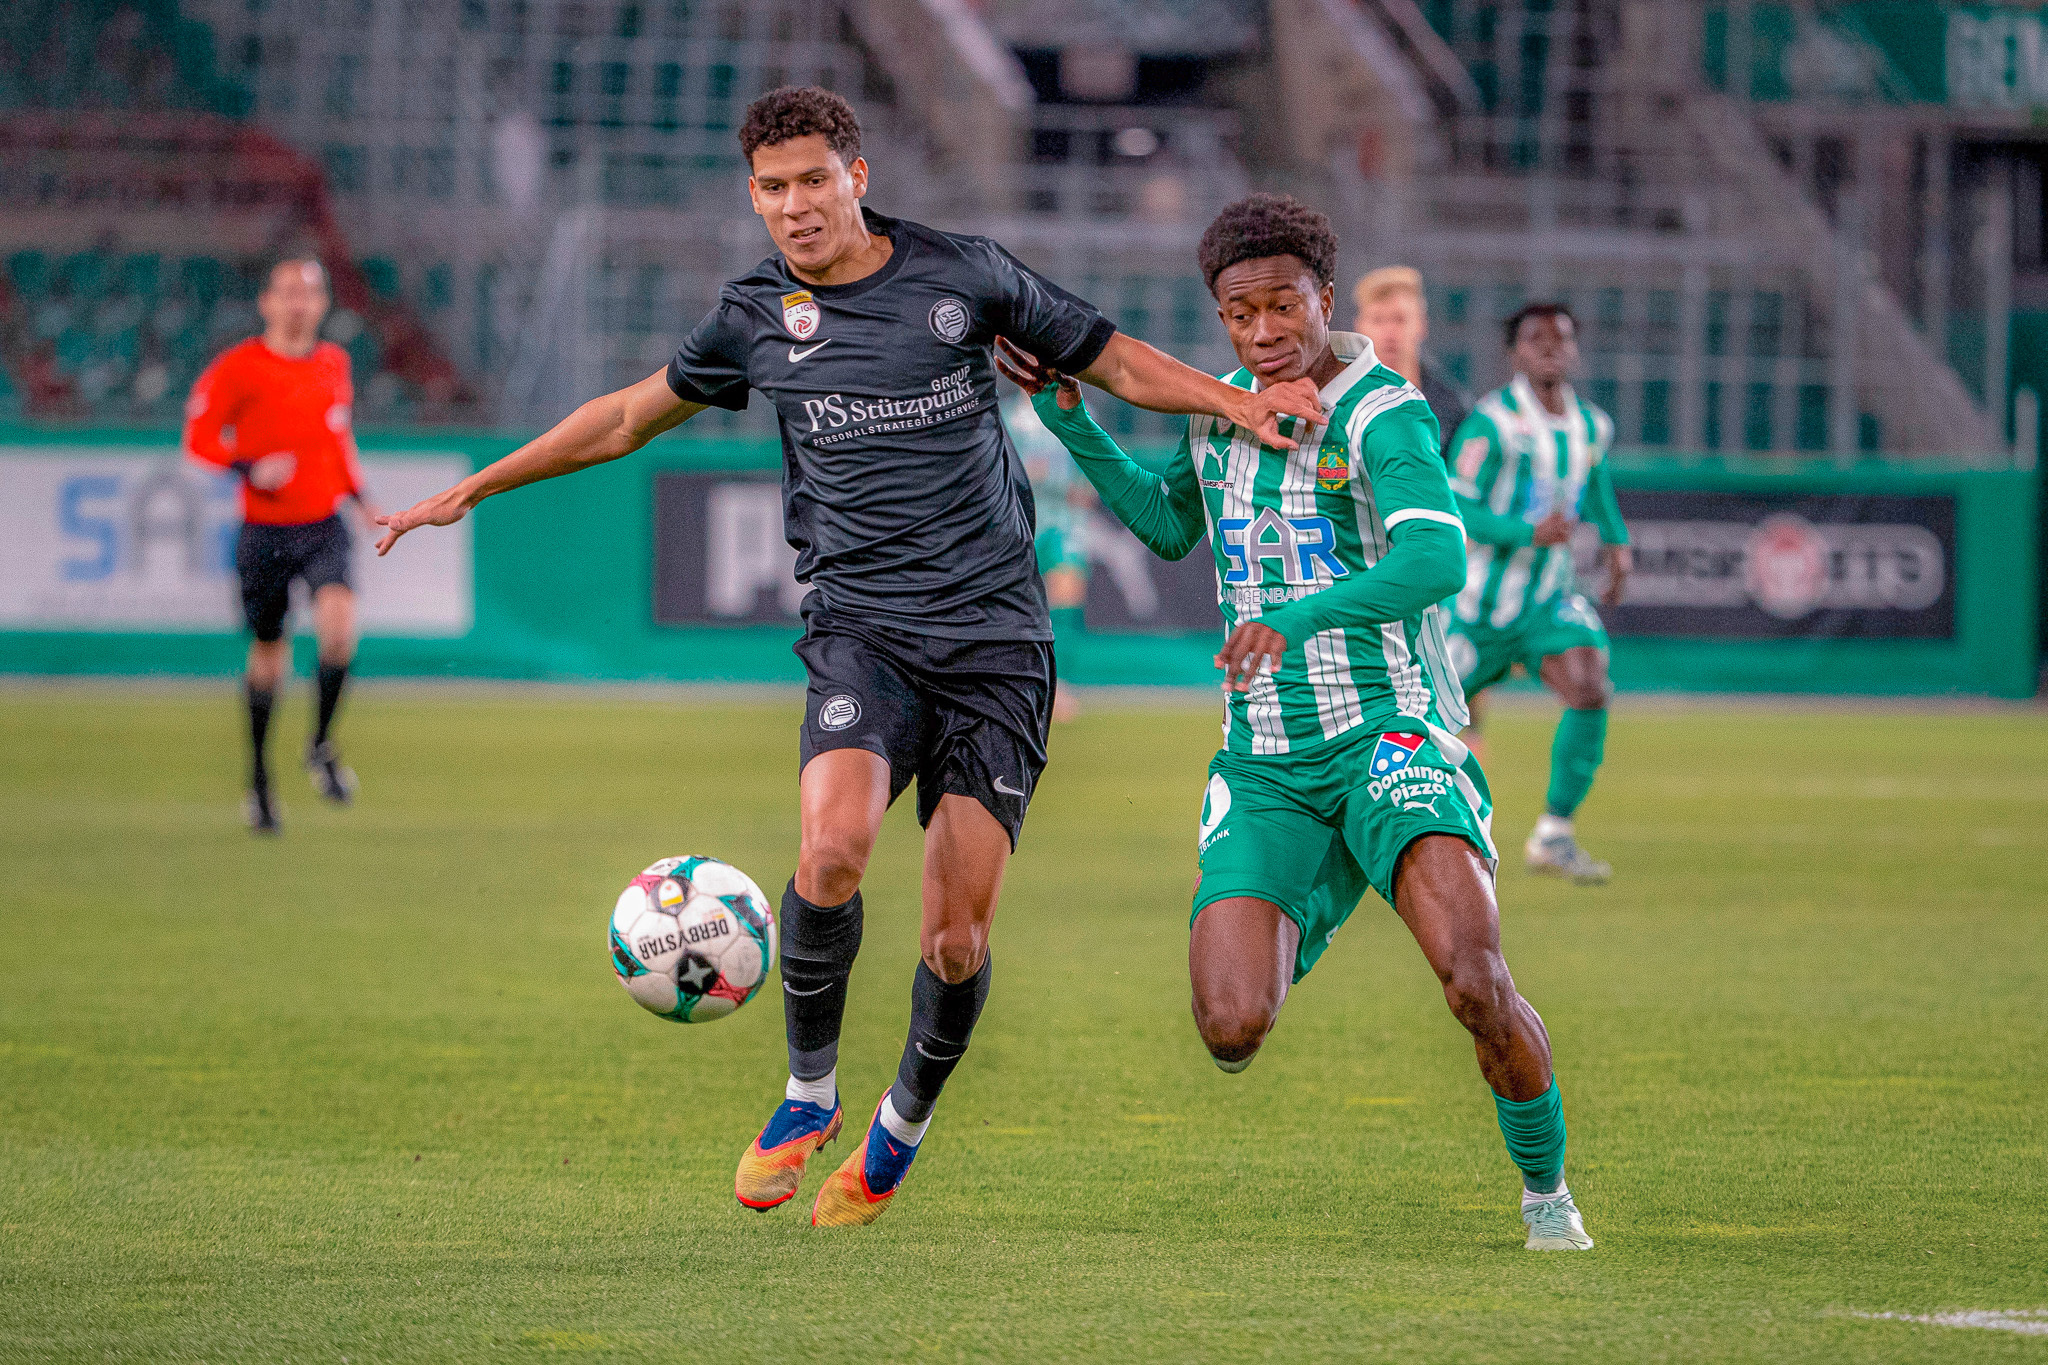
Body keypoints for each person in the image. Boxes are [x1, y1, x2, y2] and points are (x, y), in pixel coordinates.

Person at [373, 87, 1321, 1228]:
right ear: (754, 197)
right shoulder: (751, 316)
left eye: (813, 181)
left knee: (955, 940)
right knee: (829, 853)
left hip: (996, 646)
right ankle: (807, 1094)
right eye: (773, 188)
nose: (795, 206)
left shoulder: (964, 275)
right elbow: (625, 418)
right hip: (861, 634)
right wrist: (475, 486)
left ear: (856, 177)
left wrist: (1235, 404)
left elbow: (1113, 359)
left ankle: (898, 1128)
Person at [1000, 193, 1593, 1251]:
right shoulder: (1216, 406)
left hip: (1390, 734)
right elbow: (1167, 526)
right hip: (1267, 759)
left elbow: (1436, 560)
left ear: (1324, 296)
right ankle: (1336, 872)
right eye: (1240, 314)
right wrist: (1073, 422)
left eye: (1282, 305)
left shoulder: (1384, 412)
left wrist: (1297, 615)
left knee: (1472, 981)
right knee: (1229, 1028)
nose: (1263, 331)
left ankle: (1546, 1193)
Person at [183, 257, 376, 835]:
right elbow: (198, 439)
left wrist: (360, 496)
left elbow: (338, 438)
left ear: (323, 305)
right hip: (264, 530)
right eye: (288, 292)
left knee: (339, 630)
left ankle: (320, 745)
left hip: (323, 523)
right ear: (266, 302)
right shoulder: (239, 367)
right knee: (270, 656)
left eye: (310, 293)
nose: (299, 303)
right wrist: (248, 466)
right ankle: (260, 780)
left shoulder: (334, 362)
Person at [1445, 303, 1631, 884]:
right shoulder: (1491, 423)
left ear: (1574, 349)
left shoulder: (1591, 425)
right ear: (1514, 353)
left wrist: (1617, 542)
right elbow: (1457, 507)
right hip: (1475, 607)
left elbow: (1594, 482)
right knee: (1418, 721)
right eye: (1535, 338)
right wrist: (1527, 533)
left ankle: (1554, 834)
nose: (1550, 347)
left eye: (1561, 338)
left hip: (1547, 600)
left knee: (1589, 684)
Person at [1004, 390, 1094, 721]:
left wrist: (1071, 485)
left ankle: (1061, 688)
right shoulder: (1004, 416)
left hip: (1065, 525)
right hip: (1018, 527)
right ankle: (1016, 687)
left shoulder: (1079, 409)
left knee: (1065, 607)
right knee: (1014, 610)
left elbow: (1089, 479)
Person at [1354, 266, 1470, 459]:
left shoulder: (1452, 409)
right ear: (1359, 327)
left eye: (1399, 320)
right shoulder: (1338, 400)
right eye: (1377, 320)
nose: (1389, 332)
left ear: (1422, 325)